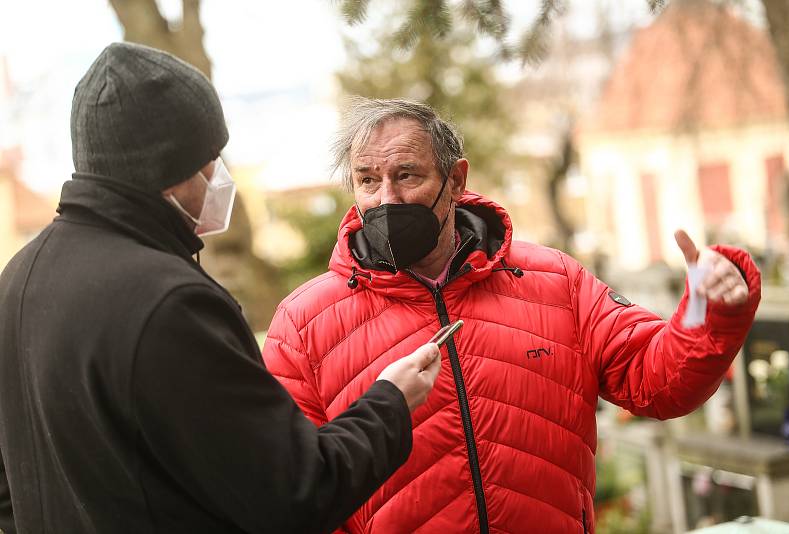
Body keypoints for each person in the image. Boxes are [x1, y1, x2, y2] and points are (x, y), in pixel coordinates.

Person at [262, 97, 761, 533]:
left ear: (456, 180)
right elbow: (296, 488)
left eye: (406, 174)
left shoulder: (556, 282)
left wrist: (710, 309)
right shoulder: (303, 326)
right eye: (368, 181)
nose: (386, 198)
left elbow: (657, 382)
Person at [0, 44, 442, 534]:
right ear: (171, 171)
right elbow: (294, 491)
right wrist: (390, 403)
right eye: (210, 159)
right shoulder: (168, 303)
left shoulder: (17, 279)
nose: (219, 177)